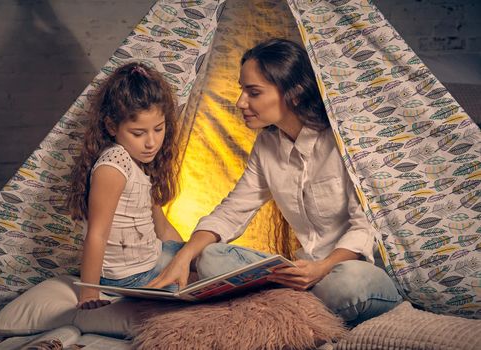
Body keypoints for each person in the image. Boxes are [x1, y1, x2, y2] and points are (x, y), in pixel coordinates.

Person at [149, 38, 402, 324]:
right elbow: (232, 211)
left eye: (253, 92)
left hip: (354, 271)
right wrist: (185, 256)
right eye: (242, 90)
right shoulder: (267, 146)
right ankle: (292, 305)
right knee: (210, 257)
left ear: (294, 93)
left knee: (347, 284)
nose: (240, 102)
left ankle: (283, 305)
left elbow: (364, 228)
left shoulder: (343, 143)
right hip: (300, 275)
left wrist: (322, 268)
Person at [67, 62, 184, 310]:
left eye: (159, 129)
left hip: (152, 259)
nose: (151, 142)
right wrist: (89, 294)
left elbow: (161, 226)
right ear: (111, 127)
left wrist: (184, 256)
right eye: (138, 133)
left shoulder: (139, 162)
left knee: (206, 252)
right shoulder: (114, 164)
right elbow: (96, 234)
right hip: (130, 277)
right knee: (196, 288)